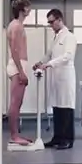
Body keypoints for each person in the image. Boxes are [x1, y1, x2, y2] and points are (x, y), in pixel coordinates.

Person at [33, 9, 77, 150]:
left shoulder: (69, 37)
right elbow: (49, 54)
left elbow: (67, 56)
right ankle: (57, 138)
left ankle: (68, 139)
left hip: (66, 77)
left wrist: (49, 64)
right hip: (56, 77)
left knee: (66, 108)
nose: (51, 25)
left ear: (59, 20)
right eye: (49, 22)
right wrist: (40, 62)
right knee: (57, 107)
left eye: (52, 22)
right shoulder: (56, 37)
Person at [6, 0, 33, 146]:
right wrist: (21, 71)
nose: (30, 9)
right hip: (17, 66)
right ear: (23, 9)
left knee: (18, 102)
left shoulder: (17, 25)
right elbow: (14, 50)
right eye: (28, 7)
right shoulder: (16, 26)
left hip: (19, 65)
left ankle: (15, 134)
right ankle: (14, 136)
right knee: (15, 103)